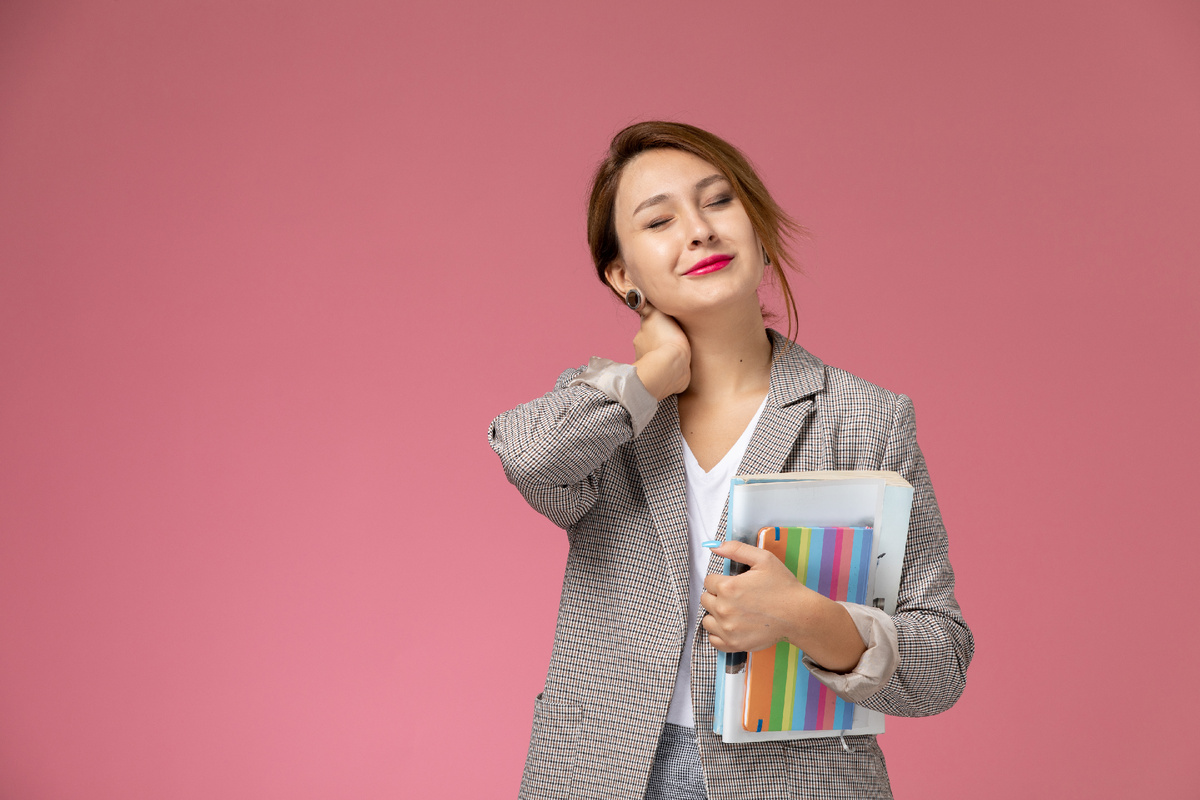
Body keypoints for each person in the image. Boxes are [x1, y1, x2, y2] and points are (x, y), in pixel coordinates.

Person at [487, 121, 973, 800]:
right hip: (605, 774)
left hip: (798, 783)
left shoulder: (866, 417)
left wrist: (810, 618)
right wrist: (649, 376)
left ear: (756, 225)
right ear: (623, 274)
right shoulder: (608, 415)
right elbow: (527, 459)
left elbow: (941, 661)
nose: (699, 230)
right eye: (659, 219)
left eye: (718, 201)